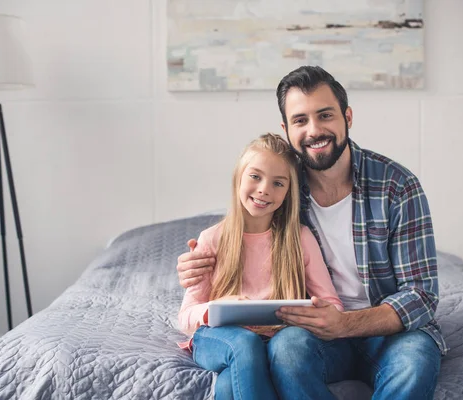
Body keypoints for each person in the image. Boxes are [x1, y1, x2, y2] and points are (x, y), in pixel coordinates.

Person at [176, 66, 446, 400]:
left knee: (414, 360)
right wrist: (200, 262)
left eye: (325, 115)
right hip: (310, 335)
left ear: (347, 116)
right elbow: (246, 224)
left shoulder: (396, 186)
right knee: (287, 349)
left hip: (389, 332)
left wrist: (344, 324)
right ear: (286, 128)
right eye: (300, 120)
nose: (314, 130)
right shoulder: (282, 185)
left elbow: (422, 295)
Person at [178, 133, 343, 400]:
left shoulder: (299, 238)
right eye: (255, 176)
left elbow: (333, 305)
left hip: (277, 337)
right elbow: (186, 317)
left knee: (228, 387)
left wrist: (313, 314)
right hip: (218, 339)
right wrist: (218, 308)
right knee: (245, 344)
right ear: (238, 178)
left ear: (288, 192)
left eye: (278, 183)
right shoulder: (212, 239)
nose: (265, 189)